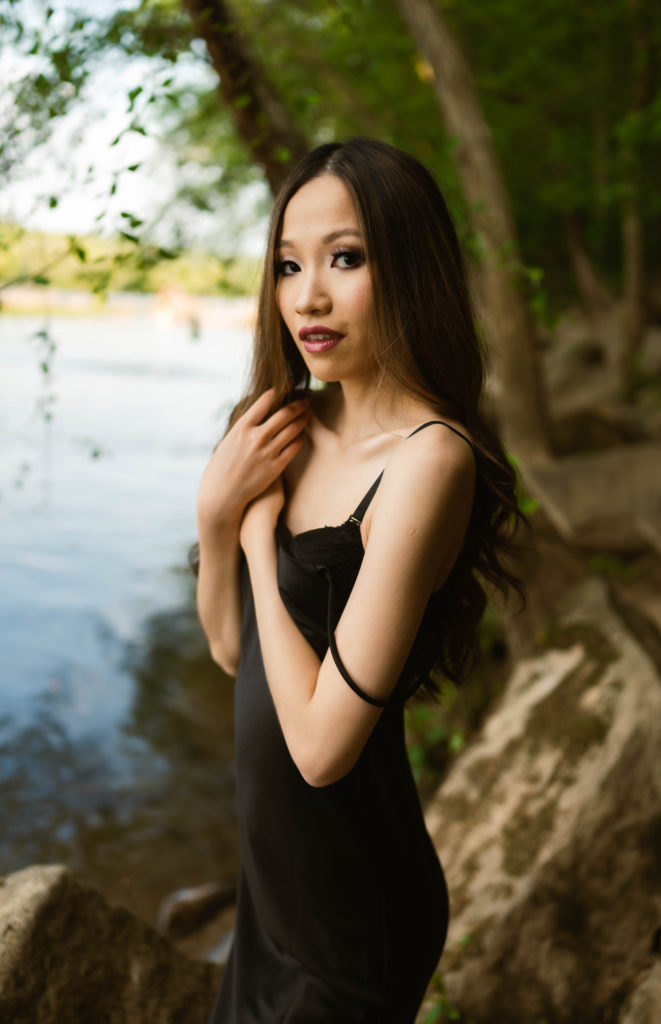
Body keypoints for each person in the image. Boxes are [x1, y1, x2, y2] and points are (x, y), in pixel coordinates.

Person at [195, 138, 525, 1024]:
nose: (308, 296)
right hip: (273, 895)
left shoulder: (429, 461)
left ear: (408, 267)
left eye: (345, 259)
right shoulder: (282, 425)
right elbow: (235, 651)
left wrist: (255, 541)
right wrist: (213, 514)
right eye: (289, 265)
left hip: (353, 913)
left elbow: (320, 750)